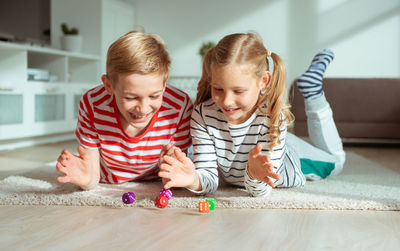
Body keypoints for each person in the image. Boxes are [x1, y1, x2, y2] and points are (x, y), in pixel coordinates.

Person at [158, 32, 346, 197]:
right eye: (218, 89)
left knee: (336, 163)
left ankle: (313, 94)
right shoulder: (203, 114)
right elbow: (209, 178)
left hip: (292, 159)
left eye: (238, 91)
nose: (226, 101)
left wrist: (254, 174)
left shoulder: (273, 116)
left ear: (263, 81)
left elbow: (261, 191)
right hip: (255, 141)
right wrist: (192, 179)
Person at [56, 31, 193, 190]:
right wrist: (86, 180)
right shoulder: (92, 104)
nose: (143, 109)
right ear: (108, 85)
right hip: (107, 178)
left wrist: (172, 169)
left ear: (165, 82)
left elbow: (175, 177)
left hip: (158, 178)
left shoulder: (179, 105)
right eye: (131, 98)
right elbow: (93, 177)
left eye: (155, 96)